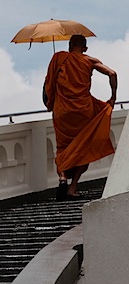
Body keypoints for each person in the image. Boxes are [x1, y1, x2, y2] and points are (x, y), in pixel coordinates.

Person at [44, 34, 117, 201]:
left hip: (62, 112)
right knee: (85, 147)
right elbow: (112, 74)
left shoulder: (58, 58)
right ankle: (73, 187)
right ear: (85, 48)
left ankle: (62, 178)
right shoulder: (89, 60)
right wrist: (113, 97)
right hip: (84, 111)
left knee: (63, 148)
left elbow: (49, 86)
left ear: (70, 46)